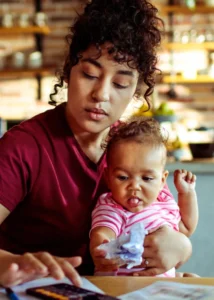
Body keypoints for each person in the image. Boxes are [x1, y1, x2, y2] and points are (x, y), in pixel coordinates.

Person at [0, 0, 193, 287]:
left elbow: (164, 221)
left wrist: (181, 248)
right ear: (69, 72)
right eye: (90, 75)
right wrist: (6, 263)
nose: (101, 94)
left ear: (136, 91)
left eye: (120, 84)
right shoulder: (23, 147)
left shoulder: (134, 148)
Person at [90, 117, 198, 276]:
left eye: (147, 179)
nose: (134, 186)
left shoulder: (163, 202)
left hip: (161, 287)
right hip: (125, 288)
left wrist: (187, 194)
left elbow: (186, 229)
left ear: (162, 180)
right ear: (108, 177)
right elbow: (103, 231)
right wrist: (101, 247)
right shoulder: (112, 206)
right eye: (123, 177)